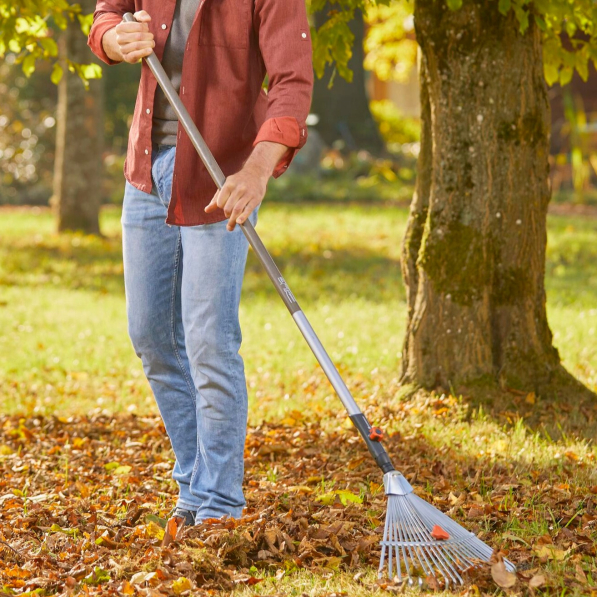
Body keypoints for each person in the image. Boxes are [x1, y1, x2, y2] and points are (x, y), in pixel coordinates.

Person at [88, 0, 313, 529]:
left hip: (221, 177)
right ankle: (194, 483)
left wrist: (257, 170)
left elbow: (292, 82)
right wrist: (116, 38)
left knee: (209, 341)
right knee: (151, 336)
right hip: (146, 169)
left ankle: (217, 506)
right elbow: (107, 17)